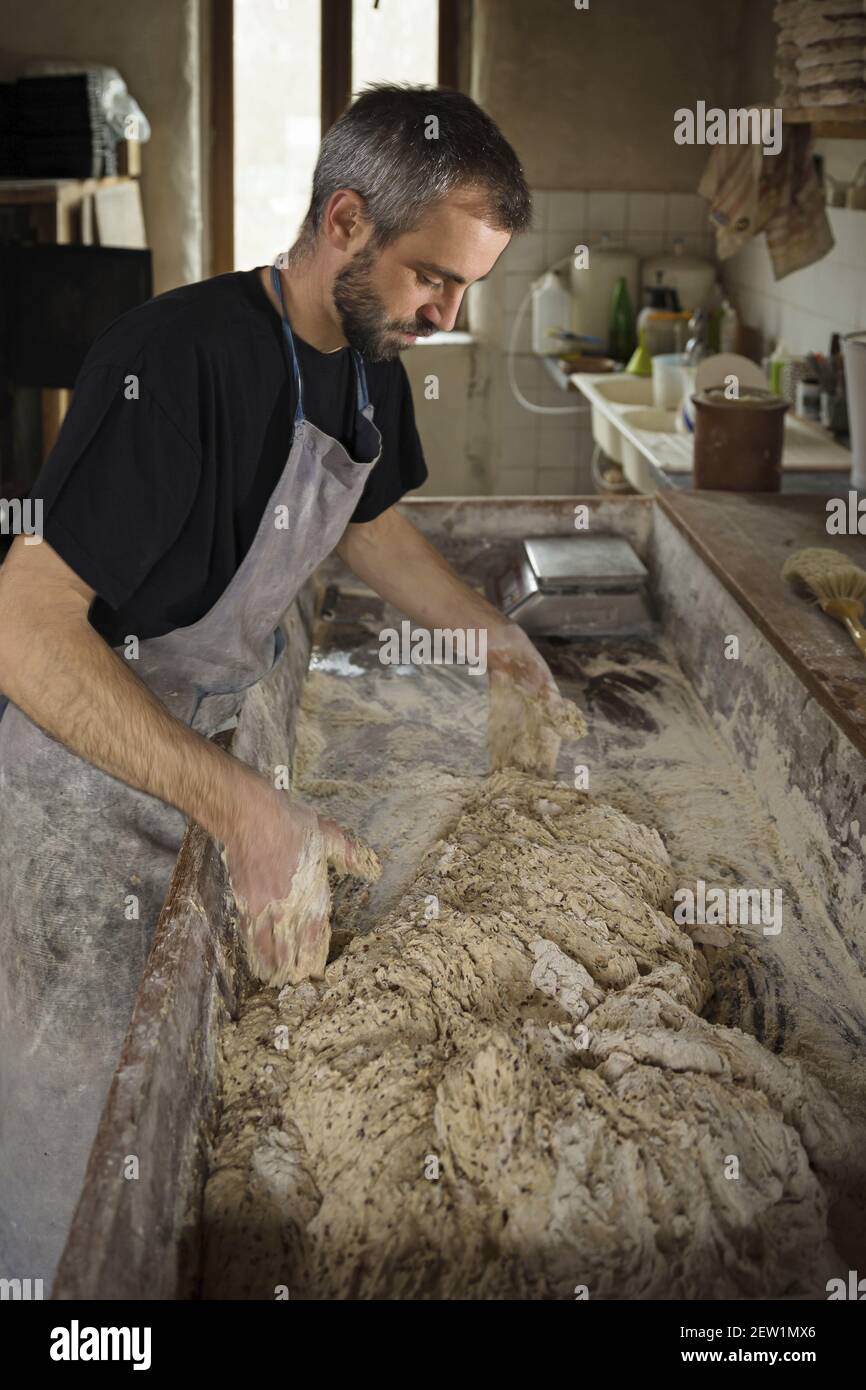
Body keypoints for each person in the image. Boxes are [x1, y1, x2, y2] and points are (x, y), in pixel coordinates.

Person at [0, 83, 575, 1287]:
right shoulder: (177, 359)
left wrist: (493, 641)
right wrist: (249, 809)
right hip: (77, 785)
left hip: (205, 758)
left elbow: (369, 526)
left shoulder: (369, 362)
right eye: (434, 276)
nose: (446, 311)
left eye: (468, 286)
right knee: (74, 1164)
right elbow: (24, 627)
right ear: (347, 222)